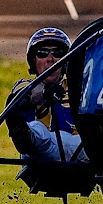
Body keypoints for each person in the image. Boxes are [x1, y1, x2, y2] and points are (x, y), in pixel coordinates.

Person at [6, 27, 85, 164]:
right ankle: (26, 136)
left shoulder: (79, 87)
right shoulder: (24, 85)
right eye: (42, 53)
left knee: (87, 142)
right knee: (38, 130)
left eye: (57, 53)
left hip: (78, 154)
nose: (50, 59)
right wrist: (45, 92)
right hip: (38, 155)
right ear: (33, 61)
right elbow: (23, 95)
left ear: (66, 61)